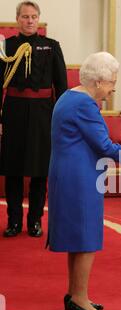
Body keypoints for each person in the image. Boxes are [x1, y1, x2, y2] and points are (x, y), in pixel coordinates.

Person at [47, 51, 121, 310]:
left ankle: (75, 295)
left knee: (77, 238)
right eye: (111, 82)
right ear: (97, 82)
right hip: (80, 178)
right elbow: (105, 147)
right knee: (86, 238)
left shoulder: (69, 96)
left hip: (67, 173)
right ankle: (79, 298)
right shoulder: (86, 105)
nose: (113, 88)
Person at [0, 1, 67, 238]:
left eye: (34, 17)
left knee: (40, 169)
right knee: (13, 168)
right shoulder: (5, 46)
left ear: (38, 19)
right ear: (17, 19)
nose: (29, 21)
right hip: (14, 111)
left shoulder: (51, 46)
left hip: (43, 113)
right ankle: (14, 221)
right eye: (25, 16)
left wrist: (61, 118)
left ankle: (35, 220)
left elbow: (61, 86)